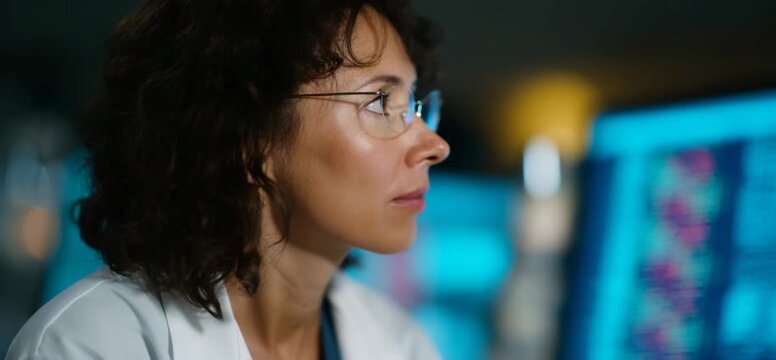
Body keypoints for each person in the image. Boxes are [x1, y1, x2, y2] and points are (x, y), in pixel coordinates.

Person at [6, 0, 449, 358]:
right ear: (250, 133)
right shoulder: (91, 344)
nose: (435, 145)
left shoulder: (400, 344)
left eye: (415, 105)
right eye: (379, 101)